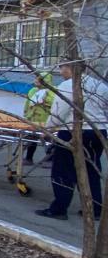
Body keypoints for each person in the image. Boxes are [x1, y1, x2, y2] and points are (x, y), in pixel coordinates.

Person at [35, 62, 108, 220]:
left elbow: (59, 111)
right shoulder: (100, 86)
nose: (61, 72)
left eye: (62, 68)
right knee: (91, 171)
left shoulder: (68, 85)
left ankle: (59, 209)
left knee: (63, 170)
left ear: (70, 68)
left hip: (73, 131)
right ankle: (95, 209)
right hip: (98, 132)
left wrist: (47, 130)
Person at [22, 72, 54, 165]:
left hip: (46, 120)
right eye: (35, 78)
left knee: (48, 139)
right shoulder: (33, 90)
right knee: (31, 138)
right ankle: (29, 158)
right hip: (33, 120)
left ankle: (49, 159)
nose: (35, 80)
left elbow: (54, 103)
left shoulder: (52, 91)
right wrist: (26, 114)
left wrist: (44, 100)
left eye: (38, 78)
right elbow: (27, 103)